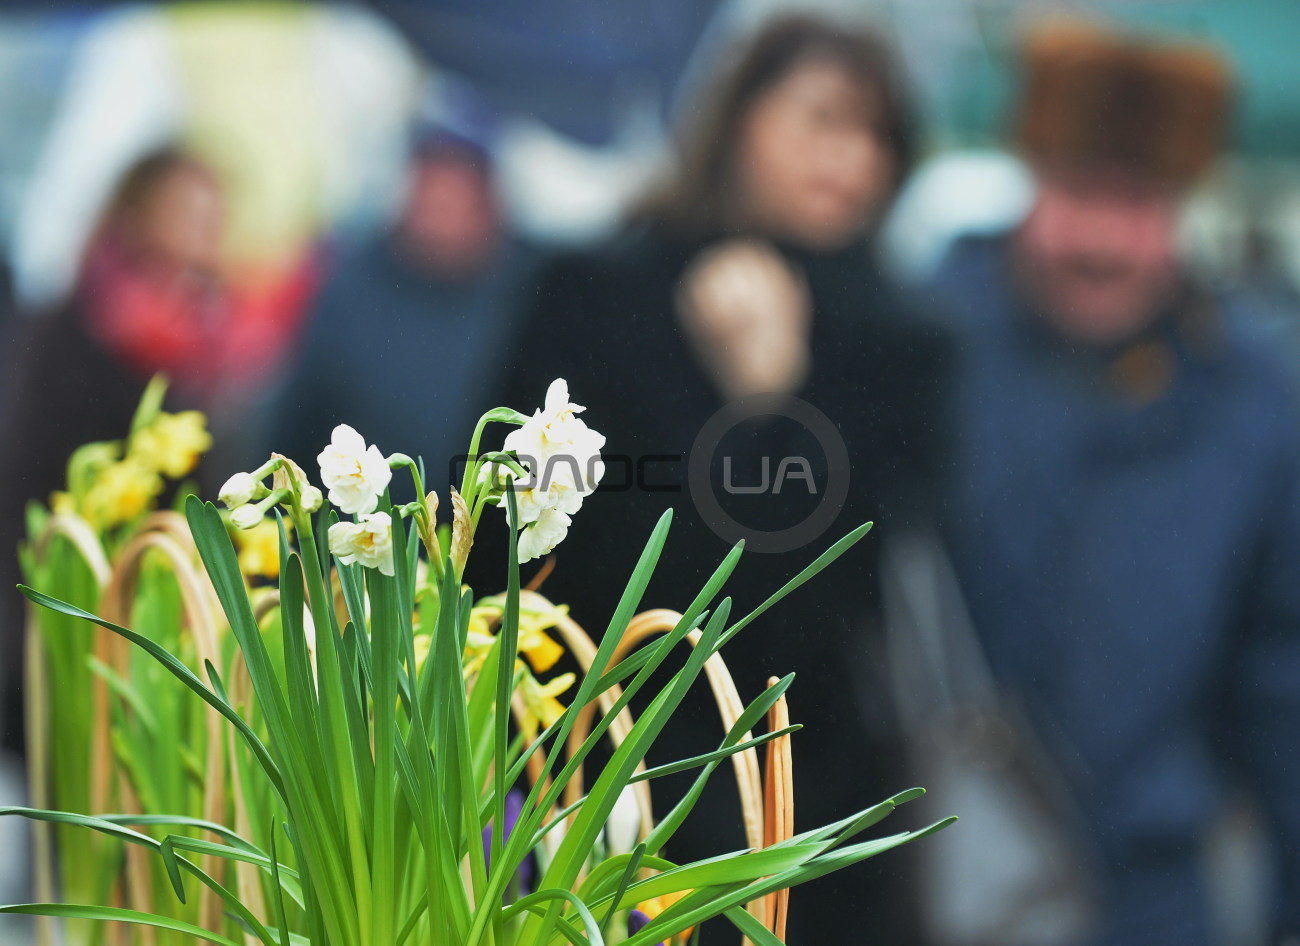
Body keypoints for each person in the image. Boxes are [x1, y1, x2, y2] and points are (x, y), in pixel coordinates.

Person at [485, 15, 951, 943]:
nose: (851, 161)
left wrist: (771, 401)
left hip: (808, 804)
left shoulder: (902, 339)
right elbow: (512, 535)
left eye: (876, 136)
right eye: (822, 121)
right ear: (737, 120)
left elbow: (831, 599)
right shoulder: (599, 291)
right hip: (596, 772)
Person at [931, 22, 1300, 946]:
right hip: (940, 874)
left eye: (1135, 200)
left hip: (1155, 890)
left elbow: (1283, 677)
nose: (1100, 236)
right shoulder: (925, 348)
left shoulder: (1253, 397)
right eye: (1077, 191)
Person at [269, 129, 526, 490]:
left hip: (491, 521)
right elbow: (296, 414)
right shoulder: (350, 286)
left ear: (488, 203)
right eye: (430, 194)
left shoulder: (529, 291)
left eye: (456, 199)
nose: (440, 216)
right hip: (366, 525)